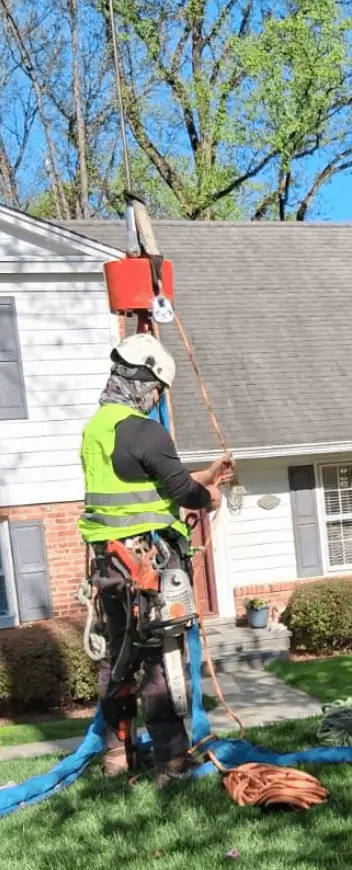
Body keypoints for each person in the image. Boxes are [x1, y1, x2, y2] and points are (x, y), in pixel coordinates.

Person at [78, 333, 233, 784]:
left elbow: (140, 483)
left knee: (119, 658)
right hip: (145, 567)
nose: (156, 398)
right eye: (157, 389)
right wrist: (207, 493)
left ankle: (116, 756)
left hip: (110, 566)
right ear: (145, 380)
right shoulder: (144, 429)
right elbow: (181, 492)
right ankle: (171, 761)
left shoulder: (97, 429)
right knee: (162, 661)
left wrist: (200, 478)